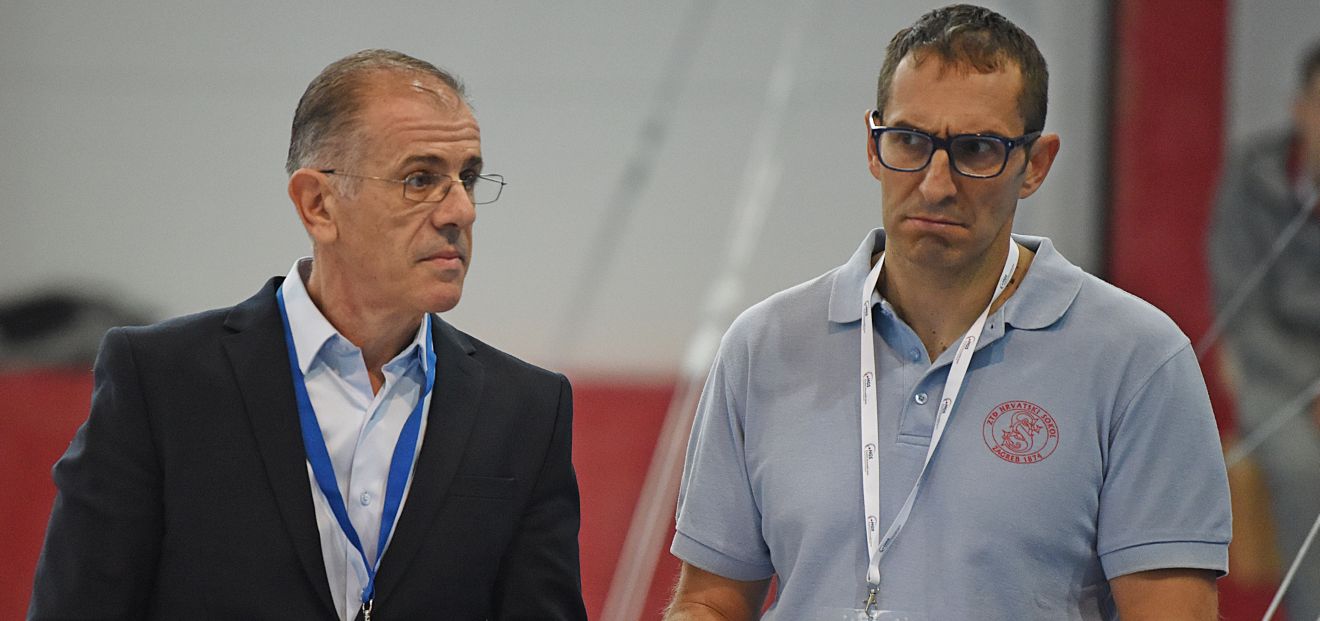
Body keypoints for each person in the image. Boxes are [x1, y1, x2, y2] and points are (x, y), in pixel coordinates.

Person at [665, 6, 1231, 620]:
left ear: (1035, 165)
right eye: (909, 141)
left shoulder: (1138, 358)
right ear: (873, 146)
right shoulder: (763, 346)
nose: (936, 185)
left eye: (976, 149)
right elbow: (711, 601)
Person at [28, 49, 587, 621]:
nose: (461, 211)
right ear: (318, 205)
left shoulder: (526, 408)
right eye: (420, 179)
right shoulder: (162, 380)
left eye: (466, 177)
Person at [1208, 41, 1320, 620]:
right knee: (1302, 466)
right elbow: (1240, 310)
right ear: (1299, 107)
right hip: (1273, 371)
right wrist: (1311, 390)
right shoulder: (1251, 178)